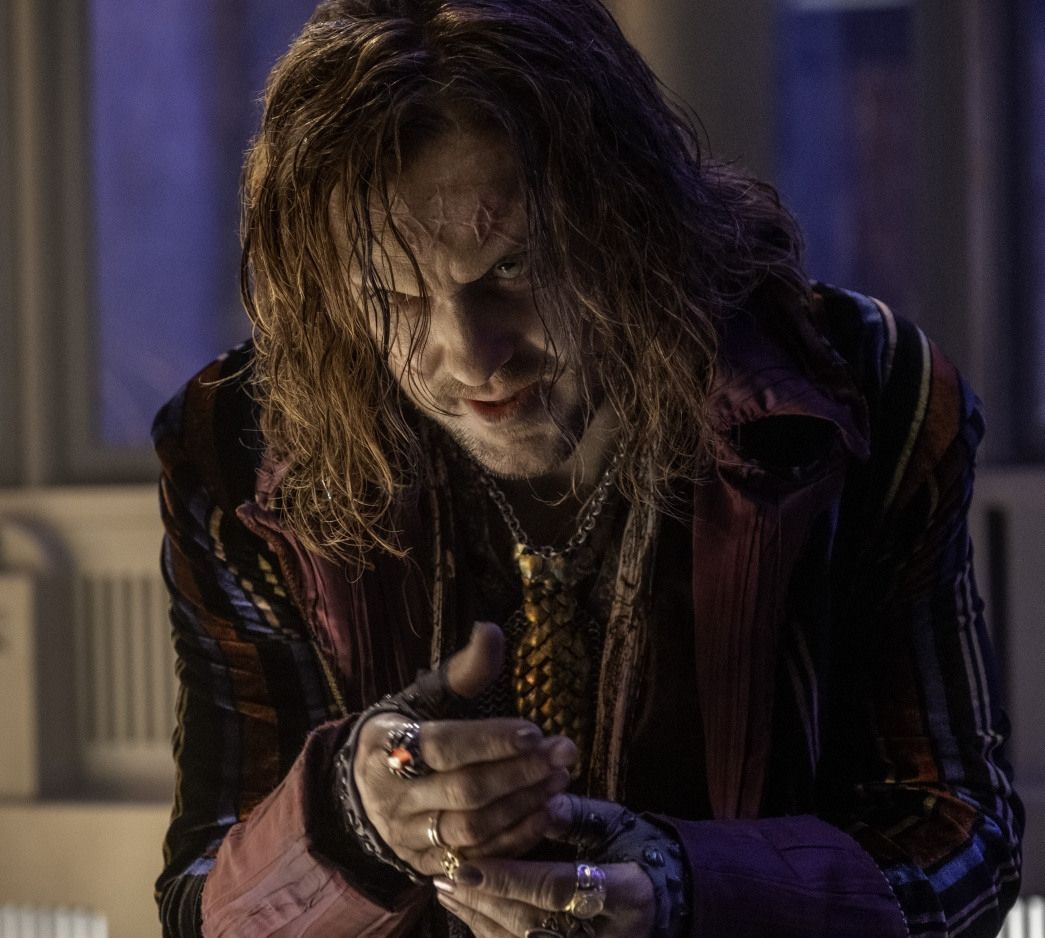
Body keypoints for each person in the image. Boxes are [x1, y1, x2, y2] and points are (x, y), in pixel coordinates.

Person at [152, 1, 1023, 935]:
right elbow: (200, 907)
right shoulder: (239, 449)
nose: (472, 357)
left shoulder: (862, 393)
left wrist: (688, 896)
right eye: (390, 295)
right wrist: (352, 817)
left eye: (514, 267)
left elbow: (960, 842)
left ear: (628, 215)